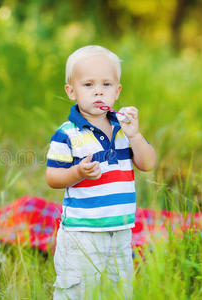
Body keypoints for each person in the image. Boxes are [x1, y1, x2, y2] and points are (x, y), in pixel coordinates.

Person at [45, 45, 156, 299]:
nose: (98, 91)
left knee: (119, 290)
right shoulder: (68, 133)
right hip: (82, 233)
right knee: (78, 291)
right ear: (71, 91)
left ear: (117, 91)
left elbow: (147, 163)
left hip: (120, 230)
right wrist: (78, 172)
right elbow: (52, 177)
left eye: (106, 84)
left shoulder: (124, 128)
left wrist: (135, 135)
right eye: (88, 85)